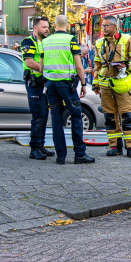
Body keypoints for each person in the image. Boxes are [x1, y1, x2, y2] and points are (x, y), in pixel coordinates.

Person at [39, 14, 94, 165]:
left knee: (56, 118)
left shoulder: (45, 41)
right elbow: (78, 65)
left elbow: (41, 66)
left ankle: (60, 156)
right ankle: (80, 154)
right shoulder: (71, 40)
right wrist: (83, 84)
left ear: (54, 25)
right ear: (67, 25)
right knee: (76, 116)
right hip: (66, 85)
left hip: (50, 84)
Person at [93, 14, 131, 158]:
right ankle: (114, 145)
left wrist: (127, 66)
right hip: (105, 86)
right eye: (103, 26)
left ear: (114, 26)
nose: (103, 28)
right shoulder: (99, 43)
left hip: (122, 85)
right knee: (109, 117)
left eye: (106, 26)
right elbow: (97, 65)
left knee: (126, 115)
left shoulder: (127, 40)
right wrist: (96, 84)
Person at [20, 16, 53, 160]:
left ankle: (40, 145)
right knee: (38, 116)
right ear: (35, 28)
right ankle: (34, 149)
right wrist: (47, 69)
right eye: (44, 27)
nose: (47, 29)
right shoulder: (28, 42)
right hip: (34, 84)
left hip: (44, 84)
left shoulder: (45, 42)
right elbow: (29, 62)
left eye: (47, 27)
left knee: (44, 115)